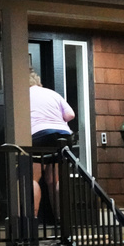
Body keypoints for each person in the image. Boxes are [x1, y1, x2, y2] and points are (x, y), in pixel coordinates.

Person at [29, 69, 75, 219]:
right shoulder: (52, 93)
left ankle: (32, 220)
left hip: (40, 135)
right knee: (55, 179)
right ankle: (62, 219)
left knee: (33, 178)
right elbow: (70, 115)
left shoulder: (22, 94)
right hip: (63, 135)